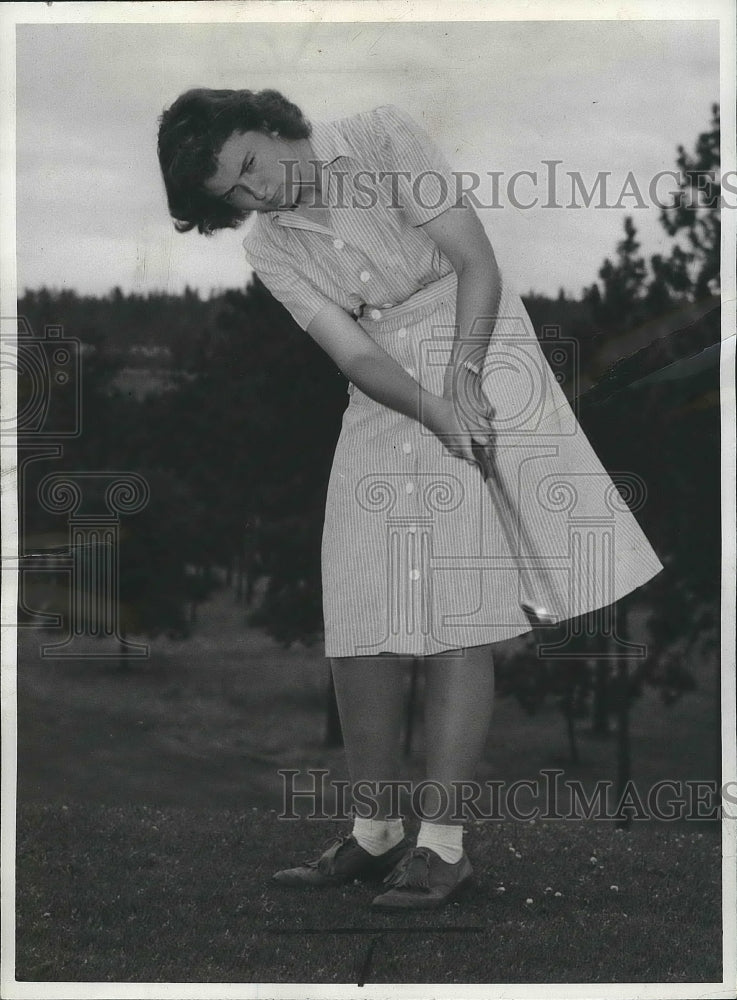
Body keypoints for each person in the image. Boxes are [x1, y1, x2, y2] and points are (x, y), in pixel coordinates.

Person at [157, 88, 664, 910]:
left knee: (458, 604)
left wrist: (461, 386)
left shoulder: (381, 136)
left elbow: (477, 262)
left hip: (479, 338)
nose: (258, 194)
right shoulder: (270, 249)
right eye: (234, 194)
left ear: (273, 123)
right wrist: (430, 411)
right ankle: (375, 834)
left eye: (251, 164)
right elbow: (354, 355)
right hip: (388, 386)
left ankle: (444, 847)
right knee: (358, 598)